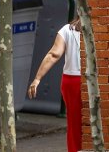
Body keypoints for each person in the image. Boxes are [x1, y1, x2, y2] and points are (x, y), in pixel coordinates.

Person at [28, 16, 83, 152]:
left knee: (74, 122)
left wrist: (37, 78)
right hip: (88, 80)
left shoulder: (66, 30)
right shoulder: (101, 30)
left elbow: (54, 55)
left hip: (71, 81)